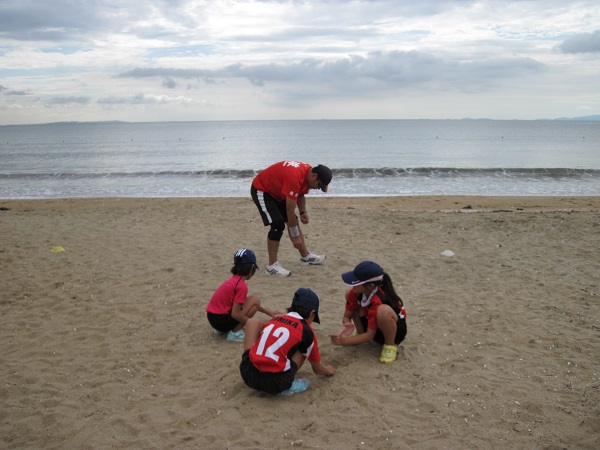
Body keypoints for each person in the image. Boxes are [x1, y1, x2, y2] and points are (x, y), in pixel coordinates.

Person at [239, 288, 336, 396]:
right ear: (312, 313)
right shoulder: (306, 330)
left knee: (253, 322)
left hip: (248, 374)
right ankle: (288, 386)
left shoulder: (275, 320)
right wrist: (328, 371)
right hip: (276, 383)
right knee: (304, 348)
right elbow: (317, 369)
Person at [251, 160, 332, 277]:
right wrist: (295, 236)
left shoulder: (307, 174)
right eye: (319, 185)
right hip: (262, 190)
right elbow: (289, 210)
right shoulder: (295, 177)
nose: (317, 188)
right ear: (314, 176)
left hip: (278, 191)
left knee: (293, 219)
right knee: (277, 225)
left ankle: (305, 257)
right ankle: (271, 266)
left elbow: (300, 193)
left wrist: (303, 211)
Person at [330, 261, 407, 363]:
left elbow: (370, 336)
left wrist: (345, 341)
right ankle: (360, 333)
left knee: (383, 311)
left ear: (370, 286)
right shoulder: (356, 292)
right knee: (349, 294)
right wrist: (347, 324)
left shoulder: (379, 299)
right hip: (373, 324)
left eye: (357, 282)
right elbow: (347, 316)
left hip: (394, 330)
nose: (354, 285)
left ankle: (390, 346)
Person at [206, 248, 281, 342]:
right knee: (255, 300)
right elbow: (236, 313)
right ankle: (234, 333)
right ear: (251, 268)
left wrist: (269, 312)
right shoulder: (241, 286)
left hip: (213, 319)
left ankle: (222, 330)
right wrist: (256, 325)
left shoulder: (233, 280)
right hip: (221, 321)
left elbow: (246, 303)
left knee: (253, 301)